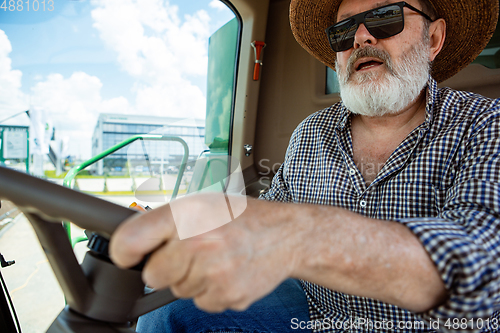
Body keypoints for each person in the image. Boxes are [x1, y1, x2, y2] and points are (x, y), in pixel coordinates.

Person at [109, 0, 500, 331]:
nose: (362, 37)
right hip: (315, 313)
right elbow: (268, 210)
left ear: (433, 39)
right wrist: (177, 224)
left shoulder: (486, 124)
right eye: (344, 32)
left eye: (385, 18)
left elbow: (482, 266)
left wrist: (296, 236)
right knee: (167, 311)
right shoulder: (311, 132)